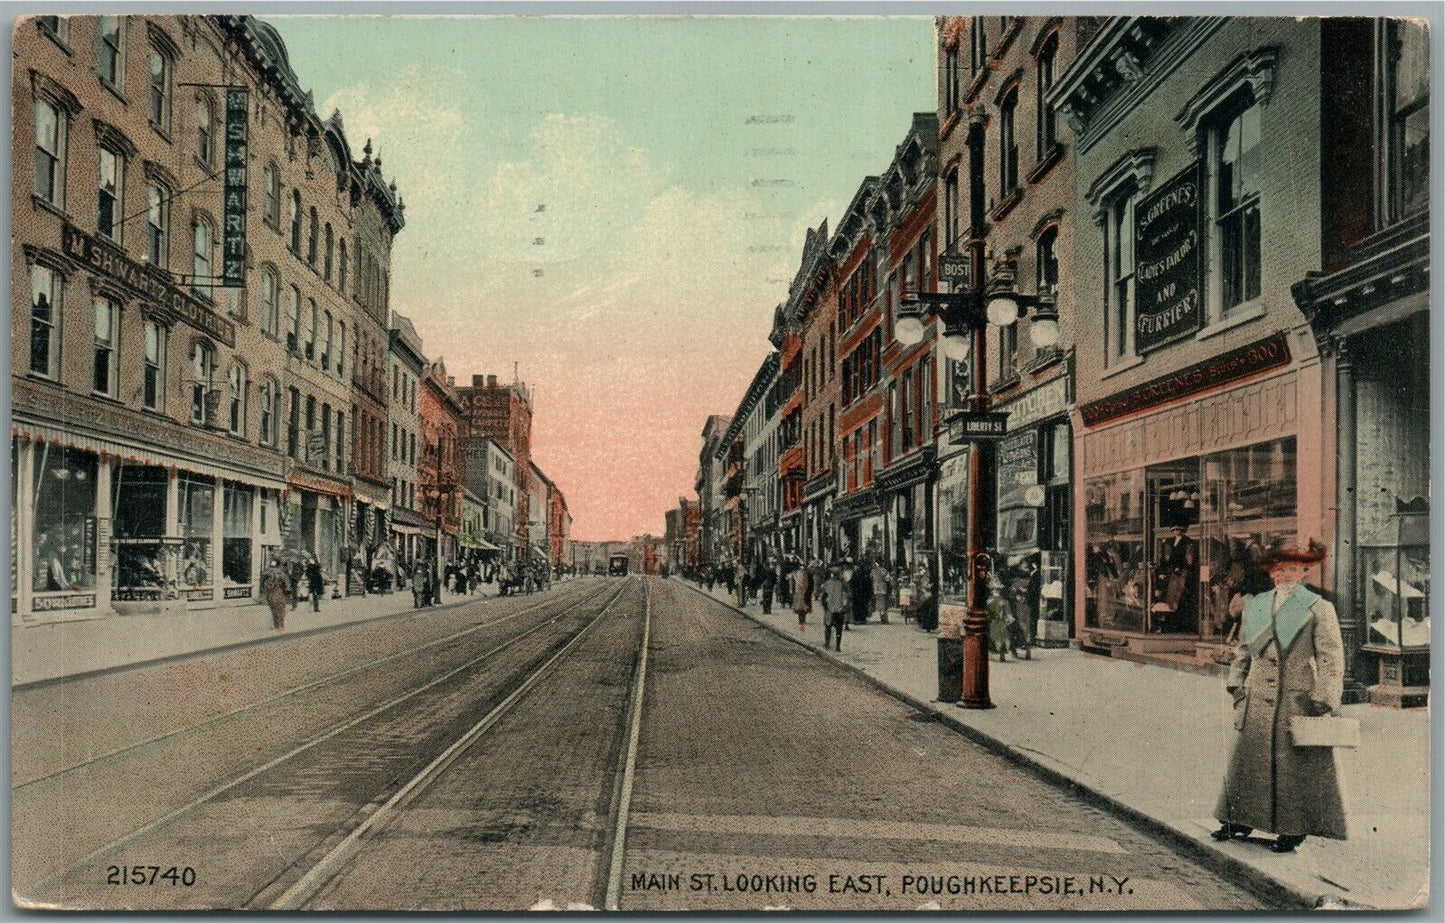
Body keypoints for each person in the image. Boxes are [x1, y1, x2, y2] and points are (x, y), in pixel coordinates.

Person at [1212, 541, 1347, 854]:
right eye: (1277, 568)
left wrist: (1325, 696)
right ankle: (1240, 820)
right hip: (1257, 695)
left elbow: (1331, 657)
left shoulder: (1319, 608)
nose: (1282, 575)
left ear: (1302, 572)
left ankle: (1293, 828)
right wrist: (1237, 684)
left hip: (1296, 699)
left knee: (1293, 769)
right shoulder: (1257, 604)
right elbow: (1244, 650)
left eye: (1290, 569)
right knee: (1249, 765)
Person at [819, 566, 849, 652]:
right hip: (839, 609)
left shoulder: (826, 584)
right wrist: (844, 607)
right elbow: (846, 596)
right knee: (839, 629)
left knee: (828, 627)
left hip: (829, 609)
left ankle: (827, 644)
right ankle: (838, 647)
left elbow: (823, 596)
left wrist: (824, 606)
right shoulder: (842, 584)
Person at [262, 558, 292, 631]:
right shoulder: (280, 573)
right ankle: (281, 626)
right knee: (281, 610)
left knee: (273, 611)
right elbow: (287, 585)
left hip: (269, 595)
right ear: (278, 564)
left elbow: (262, 583)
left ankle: (276, 626)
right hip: (278, 593)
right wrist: (287, 592)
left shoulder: (266, 572)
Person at [791, 561, 812, 633]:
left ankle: (801, 624)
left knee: (800, 608)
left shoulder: (797, 573)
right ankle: (802, 625)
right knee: (802, 608)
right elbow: (807, 583)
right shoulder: (805, 573)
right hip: (802, 593)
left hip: (800, 592)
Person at [872, 559, 891, 624]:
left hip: (876, 589)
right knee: (883, 604)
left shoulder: (873, 571)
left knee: (879, 604)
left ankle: (882, 619)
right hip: (883, 589)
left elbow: (871, 578)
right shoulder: (884, 570)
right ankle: (884, 619)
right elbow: (887, 579)